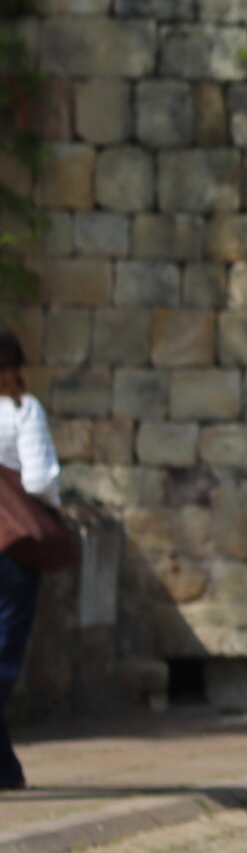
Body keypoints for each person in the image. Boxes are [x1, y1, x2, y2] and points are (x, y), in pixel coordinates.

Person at [0, 329, 58, 792]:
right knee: (4, 655)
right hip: (11, 547)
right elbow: (38, 480)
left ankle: (6, 768)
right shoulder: (23, 410)